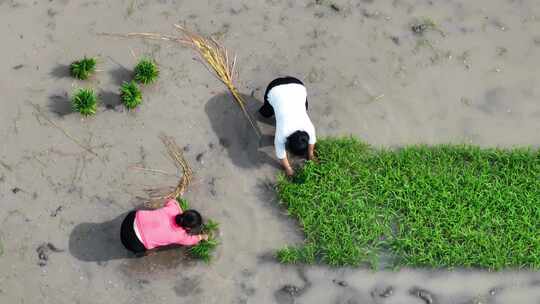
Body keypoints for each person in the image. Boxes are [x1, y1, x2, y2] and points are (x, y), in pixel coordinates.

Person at [259, 76, 317, 176]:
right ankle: (266, 110)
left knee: (304, 106)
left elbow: (312, 141)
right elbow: (280, 153)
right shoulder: (282, 133)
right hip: (274, 88)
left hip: (297, 85)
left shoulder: (309, 129)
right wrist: (288, 168)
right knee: (266, 113)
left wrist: (311, 154)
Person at [120, 198, 208, 256]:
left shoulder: (174, 208)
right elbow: (191, 241)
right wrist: (202, 237)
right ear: (188, 228)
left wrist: (179, 210)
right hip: (131, 242)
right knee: (144, 250)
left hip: (130, 219)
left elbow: (171, 201)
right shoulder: (181, 236)